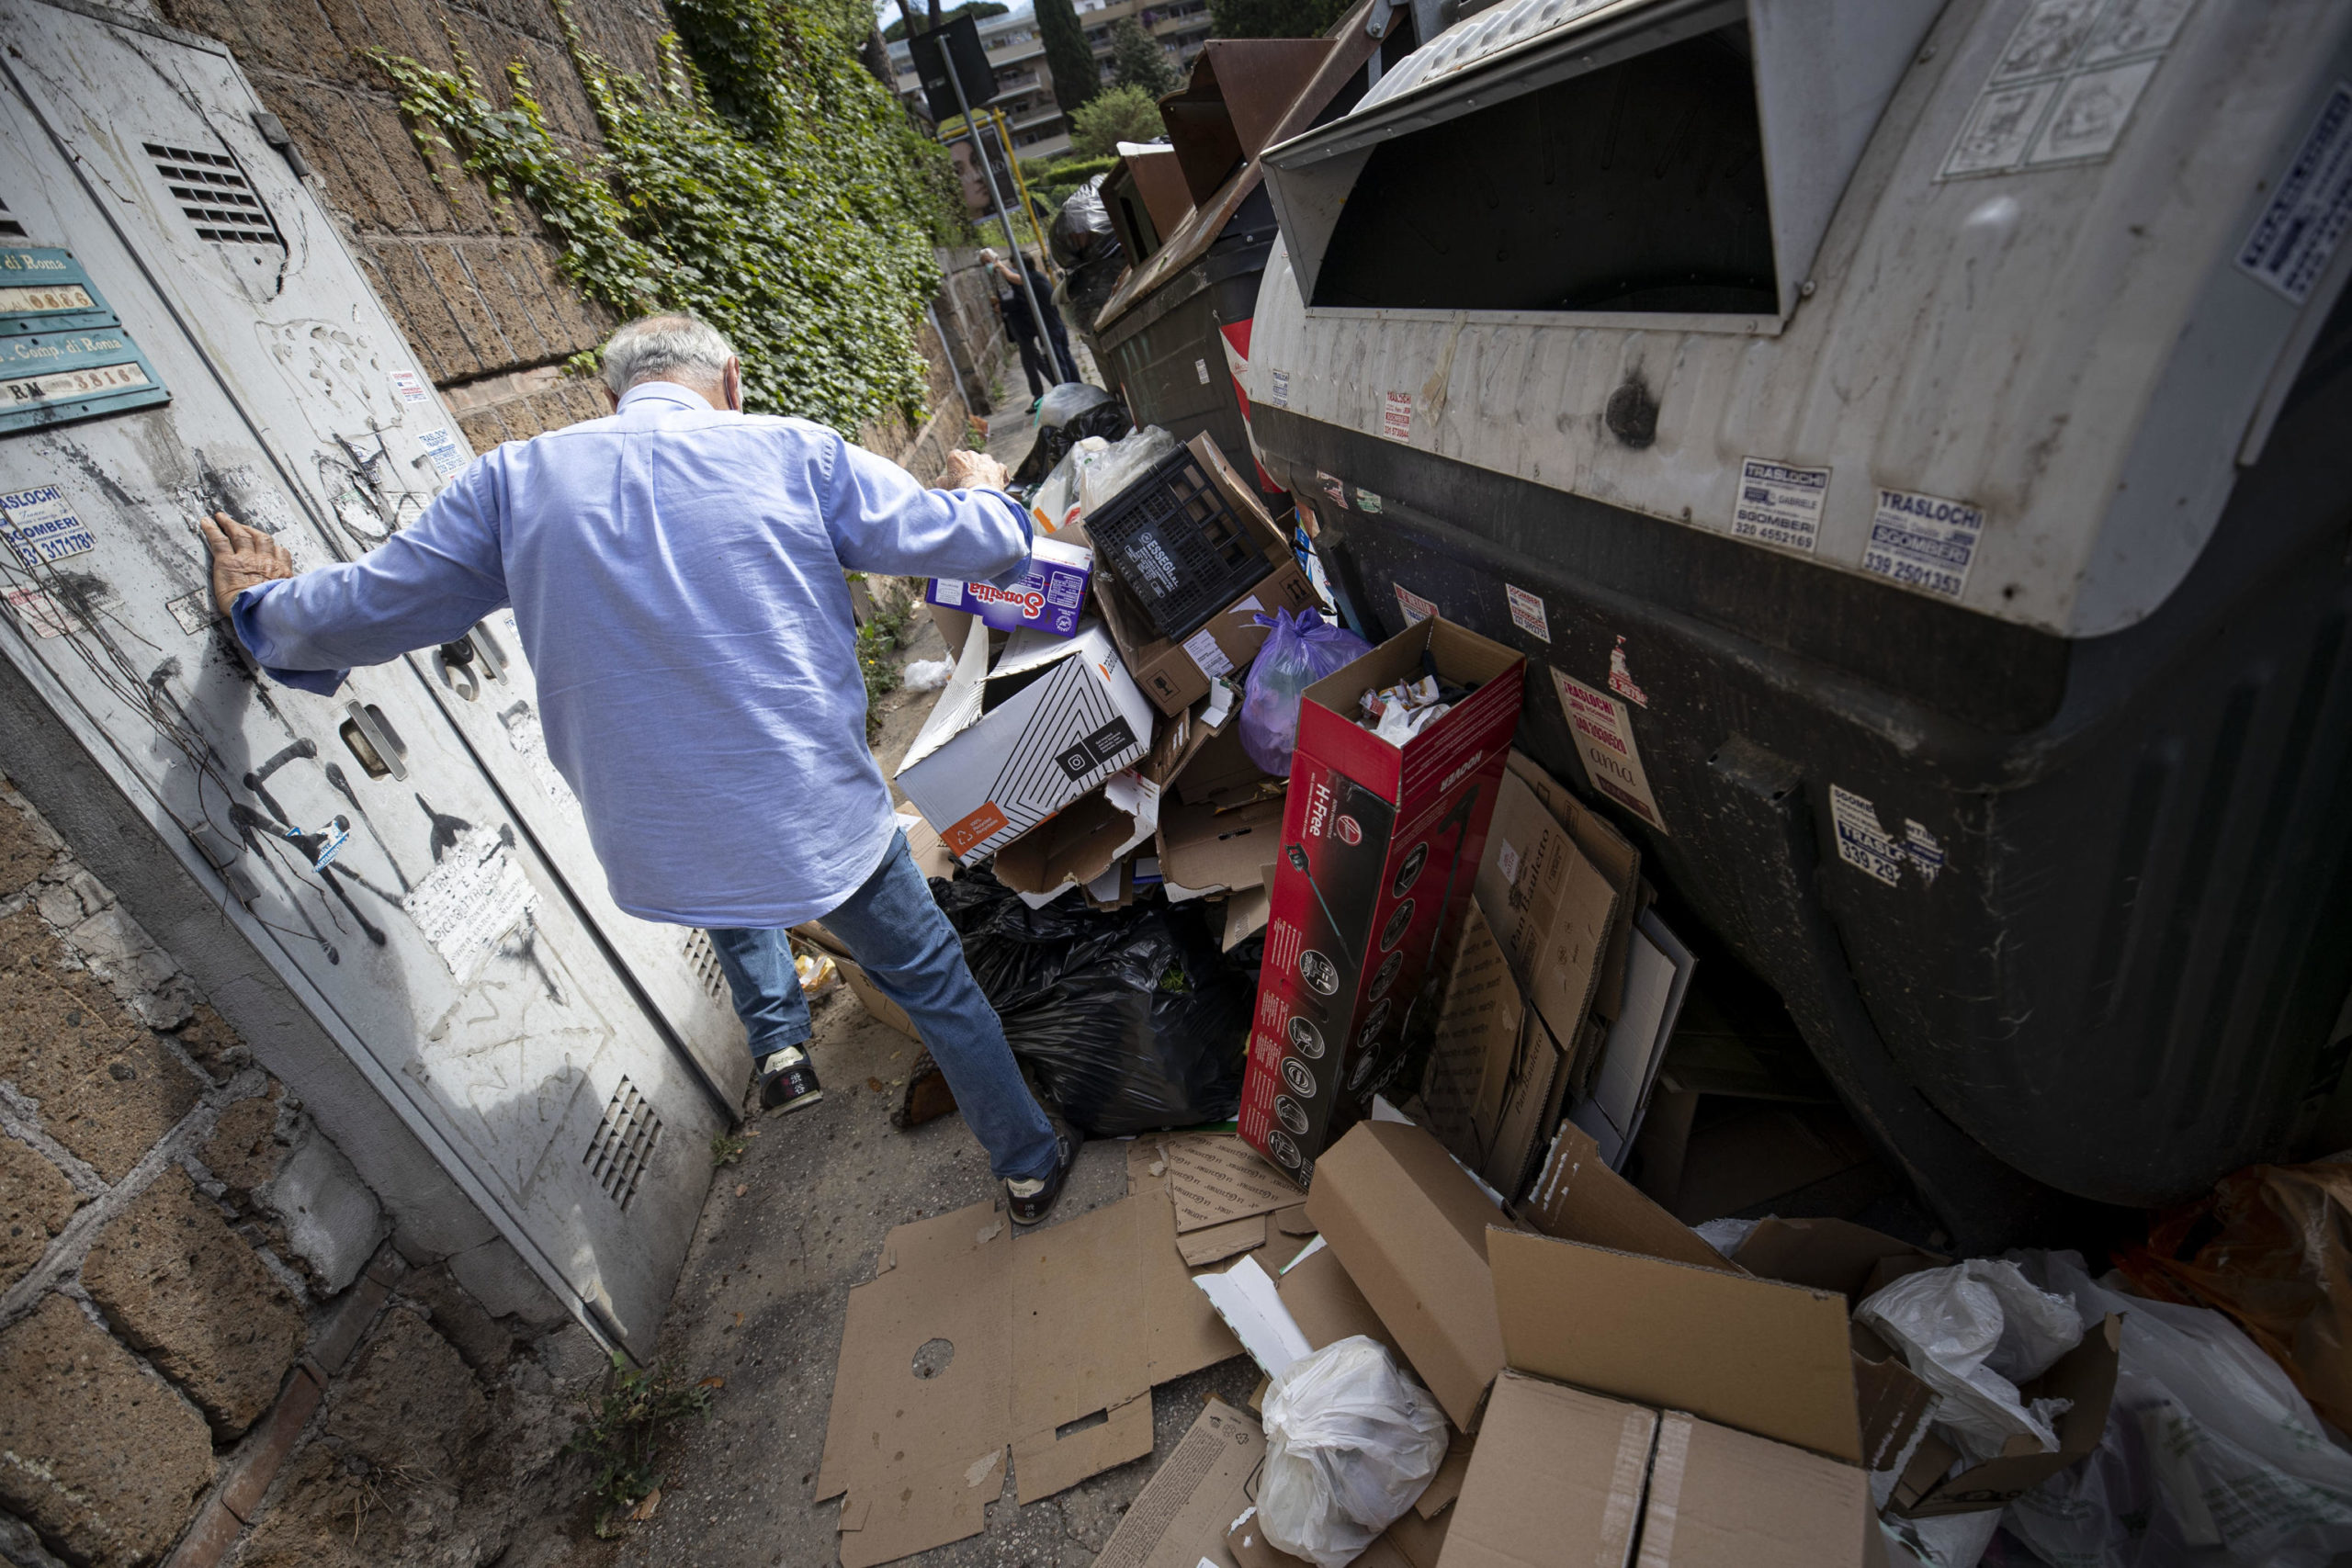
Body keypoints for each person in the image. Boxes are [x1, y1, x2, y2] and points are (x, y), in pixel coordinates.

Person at [199, 313, 1080, 1224]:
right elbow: (984, 547)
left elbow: (369, 606)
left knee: (727, 879)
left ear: (608, 399)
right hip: (819, 822)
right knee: (932, 980)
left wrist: (259, 606)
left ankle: (780, 1049)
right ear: (731, 381)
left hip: (660, 848)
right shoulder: (797, 454)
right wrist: (982, 488)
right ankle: (1026, 1167)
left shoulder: (515, 481)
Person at [983, 246, 1080, 412]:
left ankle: (1068, 393)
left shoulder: (1030, 280)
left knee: (1057, 361)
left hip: (1049, 328)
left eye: (1015, 265)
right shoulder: (1038, 277)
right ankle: (1075, 389)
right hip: (1055, 325)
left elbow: (1013, 278)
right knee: (1063, 359)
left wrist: (999, 266)